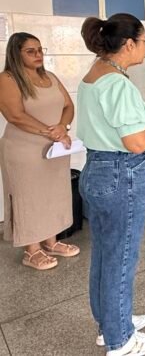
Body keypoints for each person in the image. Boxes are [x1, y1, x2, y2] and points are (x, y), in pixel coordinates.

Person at [78, 14, 145, 355]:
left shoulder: (95, 73)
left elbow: (118, 124)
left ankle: (110, 324)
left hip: (98, 169)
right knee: (121, 258)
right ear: (129, 43)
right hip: (121, 174)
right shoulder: (117, 84)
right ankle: (121, 341)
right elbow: (137, 143)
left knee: (106, 254)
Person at [0, 32, 78, 271]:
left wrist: (63, 127)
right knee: (29, 196)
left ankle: (51, 242)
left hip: (54, 148)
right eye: (30, 51)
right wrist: (52, 132)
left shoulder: (50, 77)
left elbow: (68, 105)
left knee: (53, 194)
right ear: (16, 53)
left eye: (40, 49)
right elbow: (15, 115)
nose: (38, 55)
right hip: (24, 149)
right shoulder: (8, 79)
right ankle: (31, 250)